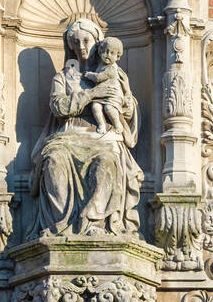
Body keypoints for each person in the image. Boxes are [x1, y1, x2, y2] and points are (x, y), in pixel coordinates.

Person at [29, 18, 141, 237]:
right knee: (53, 160)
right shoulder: (62, 78)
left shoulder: (115, 74)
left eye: (86, 40)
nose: (81, 46)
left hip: (103, 139)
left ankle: (93, 223)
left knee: (106, 163)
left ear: (98, 42)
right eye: (76, 42)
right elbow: (59, 107)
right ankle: (60, 227)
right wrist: (92, 94)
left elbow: (127, 110)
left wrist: (124, 99)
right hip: (68, 136)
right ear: (70, 46)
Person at [83, 36, 133, 138]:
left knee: (109, 108)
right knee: (95, 107)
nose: (108, 55)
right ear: (100, 51)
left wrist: (88, 75)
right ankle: (102, 125)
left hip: (112, 95)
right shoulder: (100, 65)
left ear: (118, 56)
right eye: (105, 51)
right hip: (100, 95)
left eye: (112, 53)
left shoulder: (112, 68)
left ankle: (117, 124)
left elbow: (98, 78)